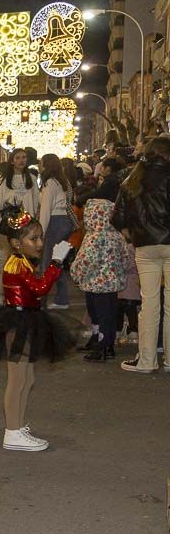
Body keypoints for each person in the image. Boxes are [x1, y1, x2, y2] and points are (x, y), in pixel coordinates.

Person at [0, 204, 74, 450]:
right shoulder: (15, 264)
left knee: (28, 378)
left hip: (27, 318)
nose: (39, 243)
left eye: (40, 238)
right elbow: (40, 289)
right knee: (17, 380)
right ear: (16, 243)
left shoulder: (23, 261)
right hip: (18, 322)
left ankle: (18, 425)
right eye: (33, 238)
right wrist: (56, 262)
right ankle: (12, 432)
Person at [110, 135, 170, 373]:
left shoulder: (132, 179)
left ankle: (146, 360)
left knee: (149, 303)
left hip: (145, 246)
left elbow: (118, 217)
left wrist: (131, 234)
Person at [71, 189, 129, 362]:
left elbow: (86, 260)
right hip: (111, 285)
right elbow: (125, 258)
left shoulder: (93, 237)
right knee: (109, 315)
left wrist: (76, 272)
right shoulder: (117, 236)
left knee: (98, 314)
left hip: (95, 284)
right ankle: (105, 343)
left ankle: (101, 346)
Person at [0, 149, 40, 305]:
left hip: (27, 228)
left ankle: (25, 294)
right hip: (8, 228)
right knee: (5, 261)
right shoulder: (3, 180)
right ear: (12, 161)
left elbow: (36, 205)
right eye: (18, 157)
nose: (21, 160)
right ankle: (0, 295)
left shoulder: (32, 179)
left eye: (24, 157)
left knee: (27, 262)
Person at [37, 154, 75, 309]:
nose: (39, 166)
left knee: (49, 262)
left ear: (47, 165)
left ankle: (45, 299)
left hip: (55, 221)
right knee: (57, 260)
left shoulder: (50, 183)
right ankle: (61, 297)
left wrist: (40, 232)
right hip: (65, 221)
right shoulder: (63, 181)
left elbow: (45, 209)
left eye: (41, 163)